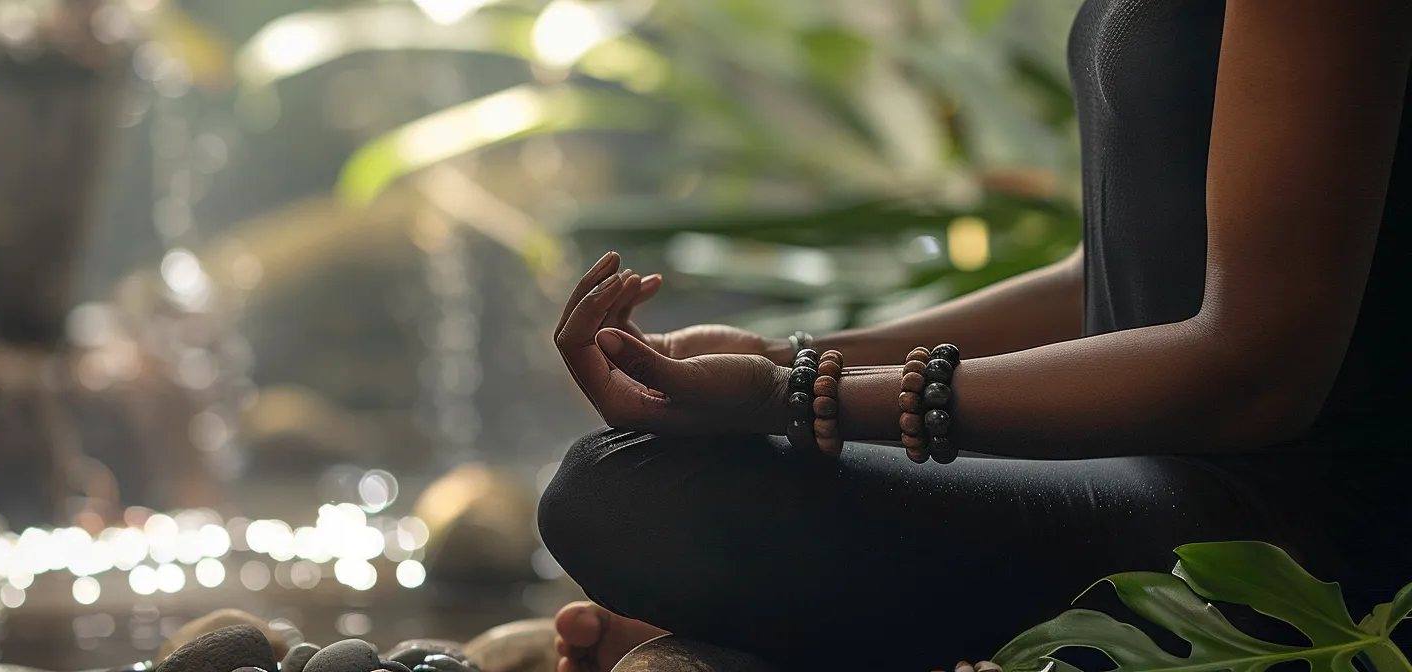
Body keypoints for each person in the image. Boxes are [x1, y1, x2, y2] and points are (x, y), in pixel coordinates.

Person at [537, 0, 1412, 670]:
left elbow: (1252, 372)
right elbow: (1096, 281)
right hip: (1151, 472)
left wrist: (788, 398)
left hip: (1290, 545)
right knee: (629, 482)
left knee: (626, 493)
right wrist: (785, 357)